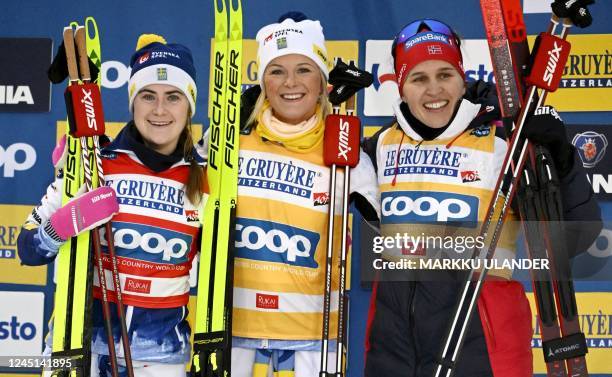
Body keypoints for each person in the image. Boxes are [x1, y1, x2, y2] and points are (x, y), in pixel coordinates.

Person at [361, 19, 602, 377]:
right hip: (393, 348)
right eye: (418, 78)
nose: (433, 90)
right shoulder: (378, 147)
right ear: (400, 86)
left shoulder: (506, 140)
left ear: (462, 76)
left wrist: (559, 155)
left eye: (445, 74)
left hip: (482, 345)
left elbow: (576, 236)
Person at [196, 11, 378, 377]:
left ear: (323, 79)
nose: (290, 82)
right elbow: (172, 183)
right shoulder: (229, 142)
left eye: (304, 69)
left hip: (312, 331)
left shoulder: (344, 152)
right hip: (232, 325)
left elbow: (389, 233)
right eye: (276, 70)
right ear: (262, 81)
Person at [17, 34, 206, 377]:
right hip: (78, 347)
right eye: (147, 96)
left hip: (160, 356)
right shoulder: (93, 163)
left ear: (189, 105)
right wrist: (61, 226)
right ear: (133, 102)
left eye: (173, 97)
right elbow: (28, 249)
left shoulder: (206, 181)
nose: (160, 110)